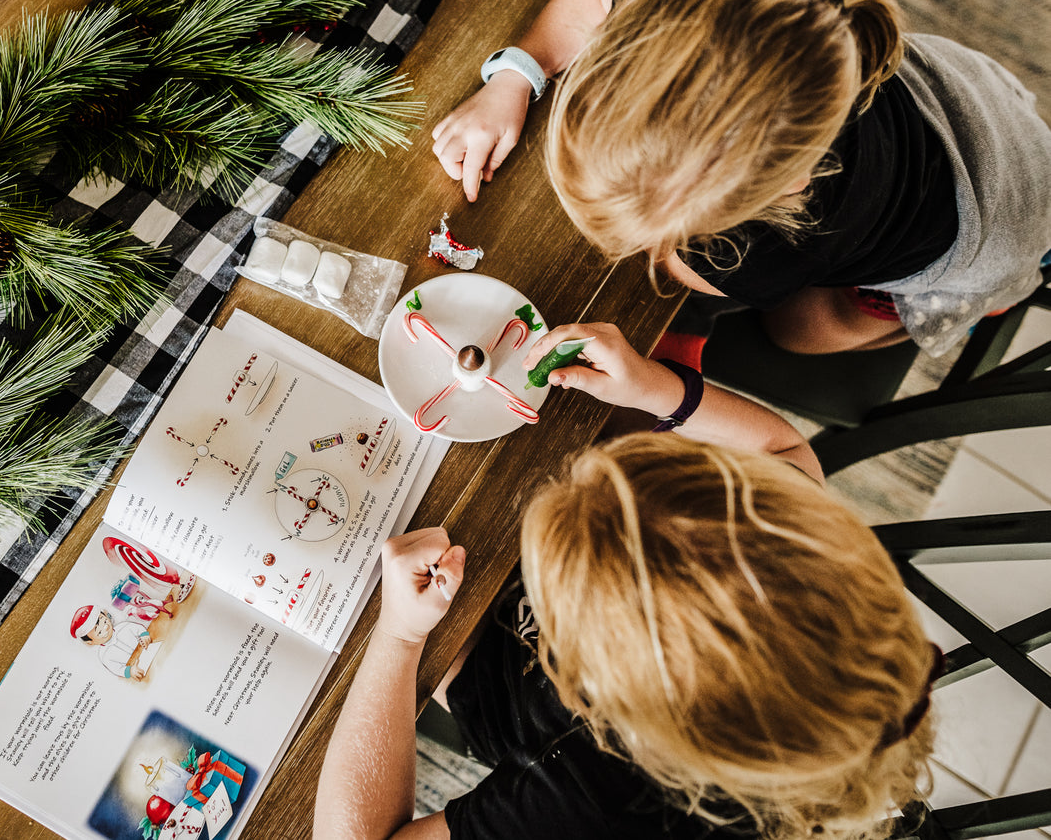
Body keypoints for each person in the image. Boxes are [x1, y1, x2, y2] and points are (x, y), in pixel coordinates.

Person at [313, 323, 938, 840]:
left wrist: (398, 637)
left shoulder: (599, 810)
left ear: (608, 706)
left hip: (478, 656)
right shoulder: (814, 582)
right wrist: (657, 390)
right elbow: (785, 457)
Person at [431, 0, 1051, 359]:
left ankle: (982, 305)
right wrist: (516, 76)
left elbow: (683, 274)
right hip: (974, 102)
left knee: (798, 334)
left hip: (994, 230)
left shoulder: (763, 252)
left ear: (786, 191)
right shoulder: (712, 13)